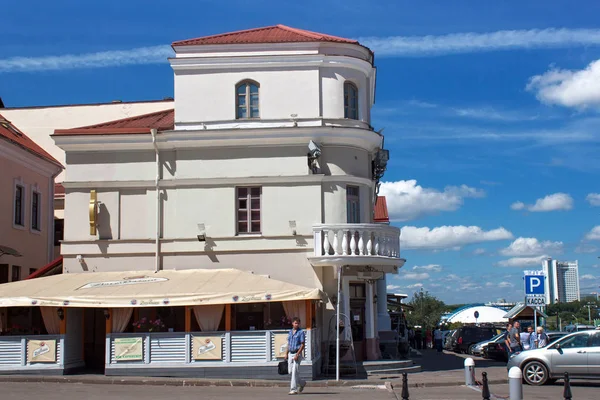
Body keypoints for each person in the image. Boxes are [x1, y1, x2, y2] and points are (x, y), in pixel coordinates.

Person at [285, 317, 306, 395]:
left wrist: (297, 354)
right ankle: (302, 383)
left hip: (297, 353)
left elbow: (302, 345)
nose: (296, 324)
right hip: (290, 353)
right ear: (292, 323)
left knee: (294, 372)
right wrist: (286, 354)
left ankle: (293, 389)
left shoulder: (301, 332)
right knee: (290, 371)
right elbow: (289, 344)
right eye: (295, 323)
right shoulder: (290, 332)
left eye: (298, 323)